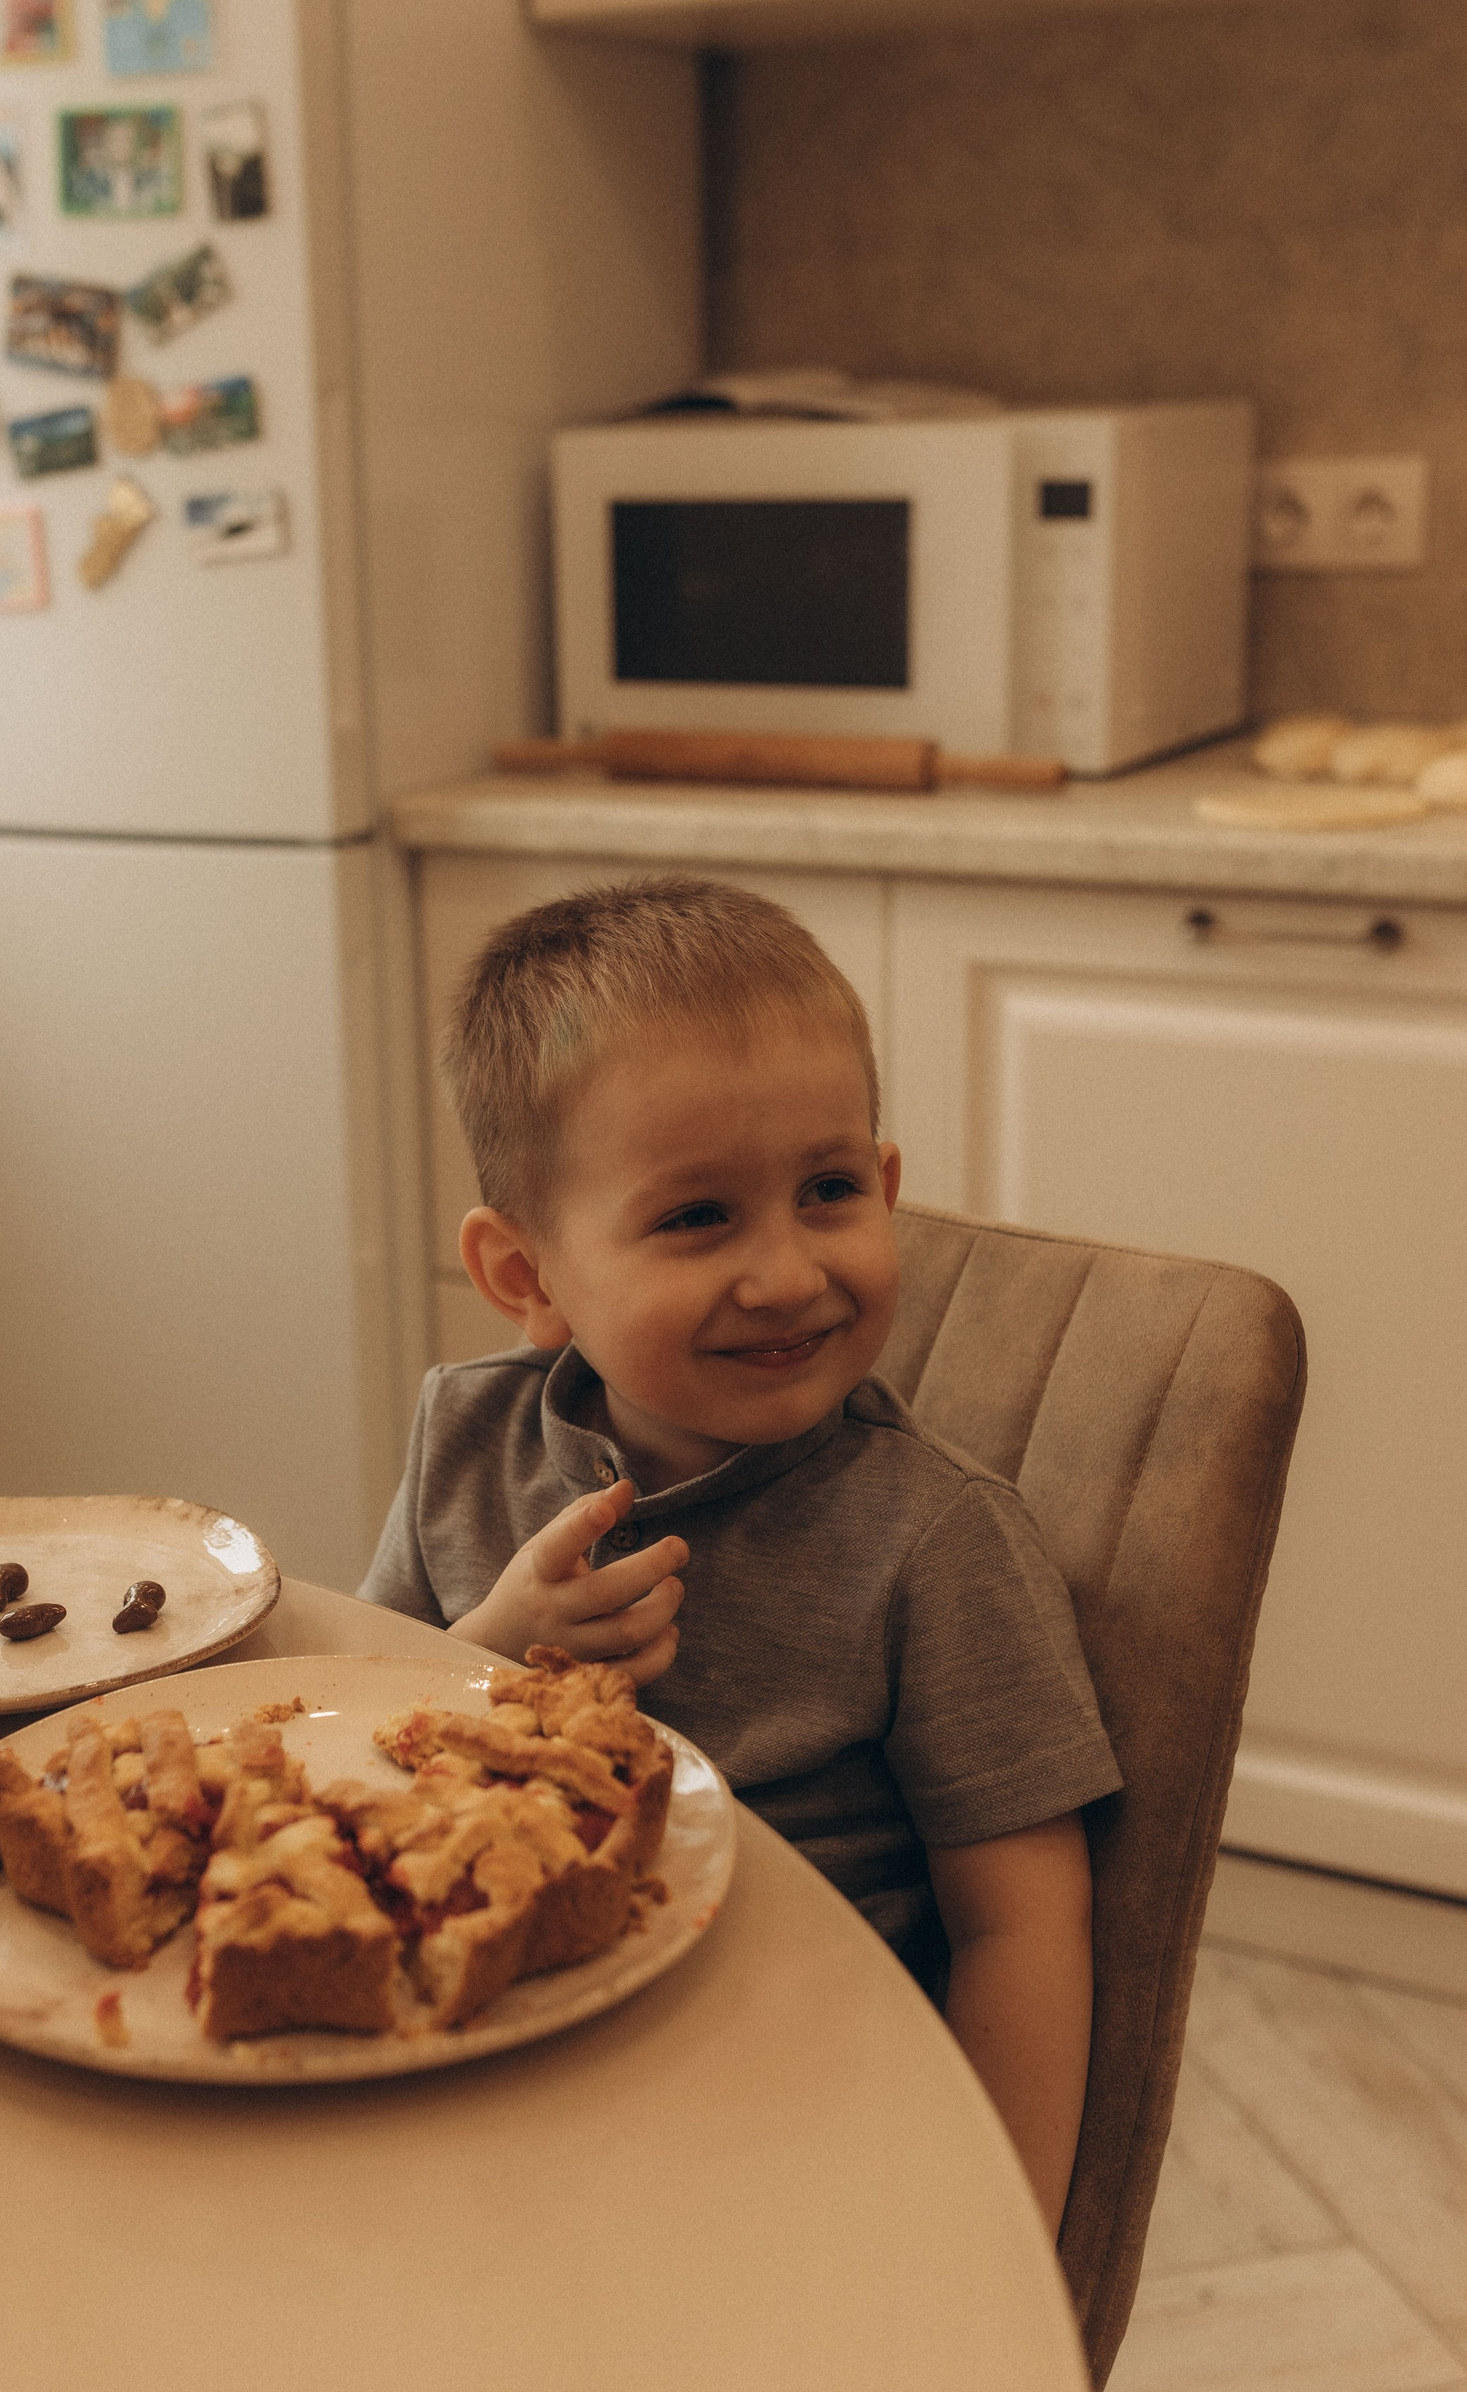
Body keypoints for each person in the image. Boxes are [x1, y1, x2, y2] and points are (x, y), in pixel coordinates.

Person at [361, 874, 1116, 2237]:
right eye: (698, 1217)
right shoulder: (464, 1440)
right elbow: (352, 1742)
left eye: (829, 1191)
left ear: (886, 1187)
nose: (787, 1274)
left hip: (784, 2127)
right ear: (528, 1277)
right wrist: (491, 1652)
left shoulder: (937, 1539)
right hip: (479, 2078)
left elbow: (1023, 1928)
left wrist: (995, 2244)